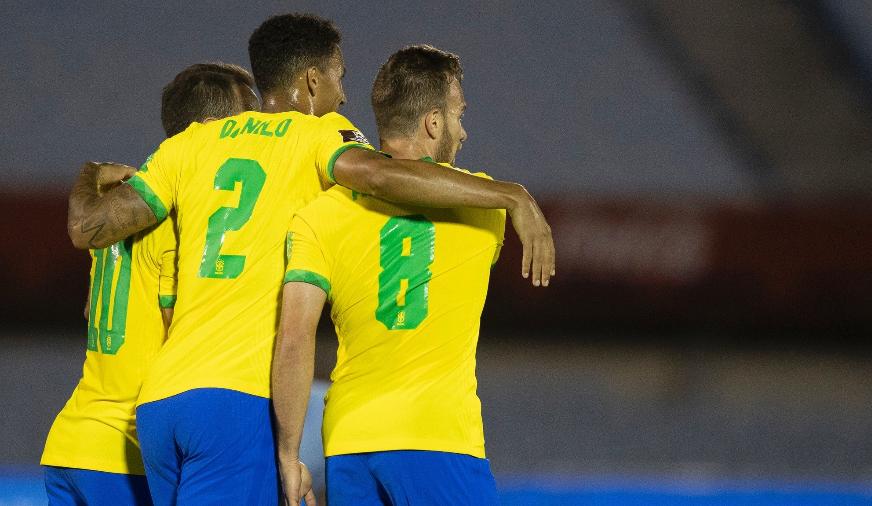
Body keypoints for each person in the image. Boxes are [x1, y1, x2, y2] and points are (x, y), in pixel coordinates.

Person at [66, 13, 554, 506]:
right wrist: (508, 196)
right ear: (313, 80)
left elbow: (86, 229)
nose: (344, 95)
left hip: (161, 405)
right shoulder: (318, 136)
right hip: (238, 399)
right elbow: (386, 177)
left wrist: (89, 173)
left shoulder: (191, 144)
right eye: (339, 77)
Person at [274, 45, 507, 506]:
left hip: (349, 442)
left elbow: (294, 339)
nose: (463, 130)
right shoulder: (486, 210)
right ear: (433, 122)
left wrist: (290, 452)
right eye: (459, 115)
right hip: (438, 438)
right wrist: (516, 197)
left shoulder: (319, 216)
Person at [41, 62, 259, 506]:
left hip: (71, 440)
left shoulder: (120, 211)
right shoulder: (177, 217)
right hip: (123, 453)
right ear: (215, 127)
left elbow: (91, 311)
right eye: (250, 119)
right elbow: (176, 325)